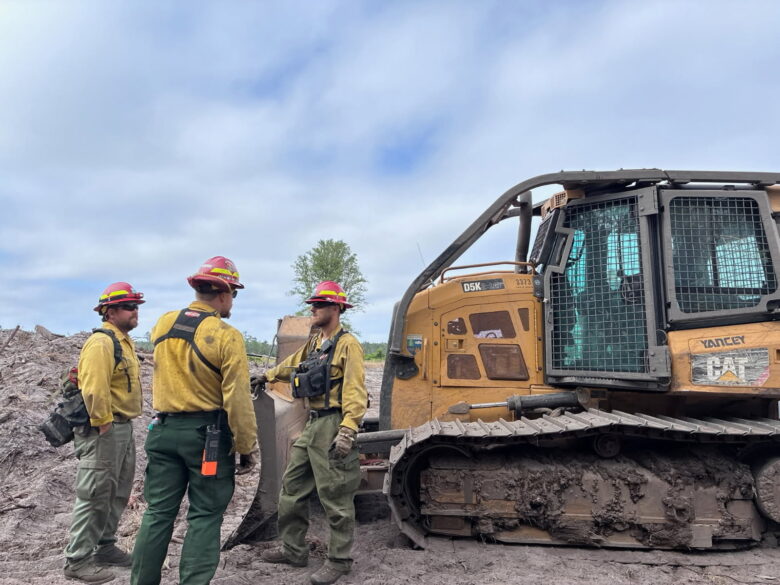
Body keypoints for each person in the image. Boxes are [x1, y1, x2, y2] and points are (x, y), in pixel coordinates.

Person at [130, 256, 259, 585]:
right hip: (207, 439)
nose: (233, 302)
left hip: (162, 431)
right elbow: (238, 400)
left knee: (158, 513)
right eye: (234, 294)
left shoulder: (163, 324)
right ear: (224, 292)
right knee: (204, 515)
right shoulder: (226, 335)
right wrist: (246, 446)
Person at [257, 280, 367, 585]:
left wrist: (348, 430)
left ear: (335, 307)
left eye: (318, 304)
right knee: (291, 488)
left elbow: (356, 391)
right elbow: (292, 366)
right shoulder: (314, 343)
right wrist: (265, 376)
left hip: (332, 423)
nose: (313, 309)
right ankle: (294, 549)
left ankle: (340, 561)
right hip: (312, 423)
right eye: (313, 304)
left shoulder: (348, 344)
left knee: (336, 495)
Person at [63, 282, 145, 584]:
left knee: (117, 492)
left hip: (121, 427)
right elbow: (94, 388)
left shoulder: (123, 341)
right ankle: (77, 560)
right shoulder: (101, 343)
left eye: (136, 306)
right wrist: (103, 421)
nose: (135, 312)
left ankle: (105, 547)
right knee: (95, 494)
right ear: (109, 312)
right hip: (105, 428)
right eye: (129, 307)